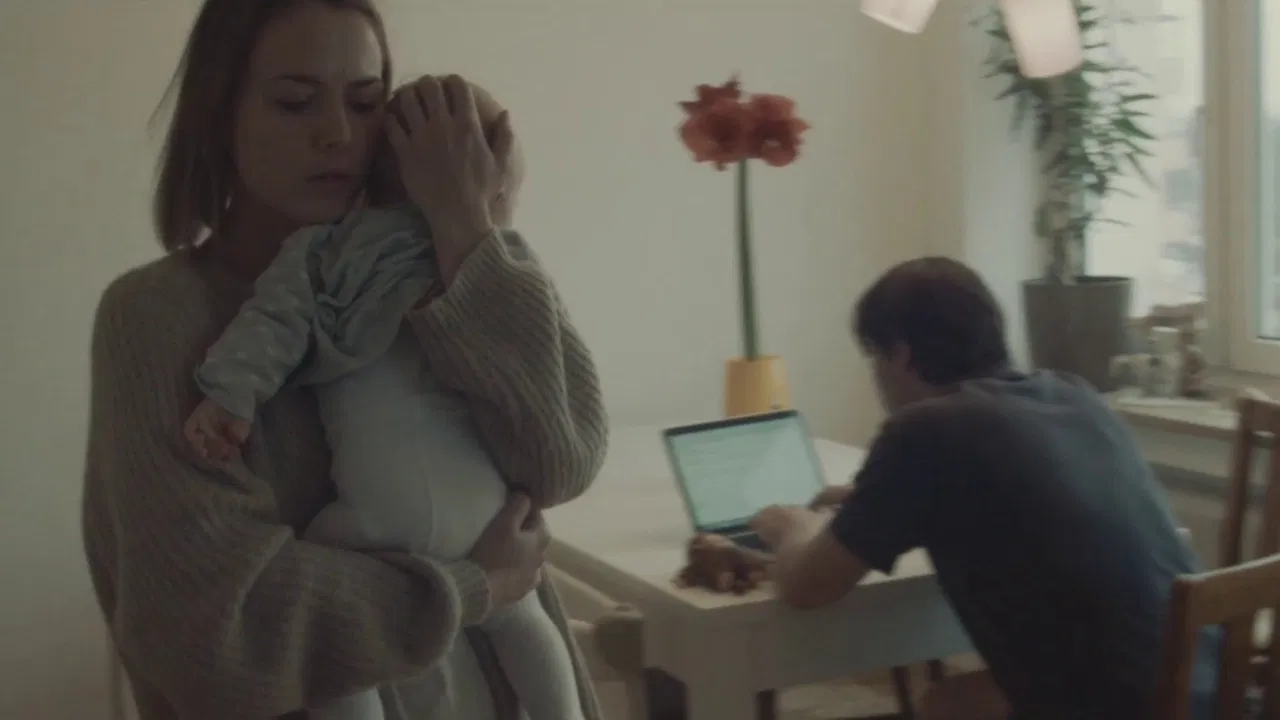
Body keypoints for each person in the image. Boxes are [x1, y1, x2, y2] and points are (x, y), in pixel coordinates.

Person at [81, 2, 607, 719]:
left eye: (364, 103)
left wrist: (467, 228)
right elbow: (215, 632)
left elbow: (562, 463)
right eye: (295, 102)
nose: (337, 134)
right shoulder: (156, 316)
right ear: (220, 113)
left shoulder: (449, 270)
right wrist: (472, 586)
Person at [183, 77, 591, 720]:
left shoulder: (322, 252)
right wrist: (479, 226)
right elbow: (555, 396)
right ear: (494, 181)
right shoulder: (503, 267)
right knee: (526, 623)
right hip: (485, 515)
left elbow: (271, 324)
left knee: (333, 650)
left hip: (372, 523)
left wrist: (229, 396)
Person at [748, 257, 1220, 720]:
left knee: (949, 705)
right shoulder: (1074, 395)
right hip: (1209, 691)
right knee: (947, 704)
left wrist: (794, 526)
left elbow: (808, 587)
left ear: (902, 354)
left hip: (1115, 707)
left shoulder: (923, 431)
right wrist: (869, 502)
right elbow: (1008, 494)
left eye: (875, 358)